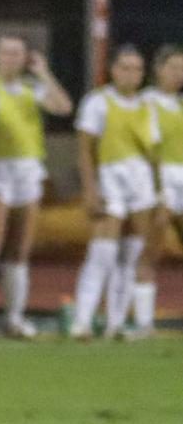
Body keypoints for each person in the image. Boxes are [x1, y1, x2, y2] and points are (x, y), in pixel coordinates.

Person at [0, 36, 72, 337]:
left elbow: (62, 106)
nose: (11, 58)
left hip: (27, 170)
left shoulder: (31, 89)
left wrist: (43, 73)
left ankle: (14, 317)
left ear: (25, 58)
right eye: (6, 53)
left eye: (17, 53)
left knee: (20, 247)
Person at [66, 46, 157, 338]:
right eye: (125, 67)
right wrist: (90, 190)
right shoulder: (98, 102)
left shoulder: (147, 106)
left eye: (137, 69)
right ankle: (82, 320)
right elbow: (84, 150)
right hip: (110, 176)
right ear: (114, 70)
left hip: (140, 181)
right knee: (102, 253)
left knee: (131, 255)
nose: (131, 74)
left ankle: (116, 323)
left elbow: (151, 152)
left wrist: (157, 190)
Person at [139, 45, 183, 336]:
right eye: (173, 68)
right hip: (160, 180)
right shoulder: (147, 103)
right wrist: (156, 190)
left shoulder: (179, 104)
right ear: (158, 69)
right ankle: (143, 322)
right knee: (151, 251)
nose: (178, 74)